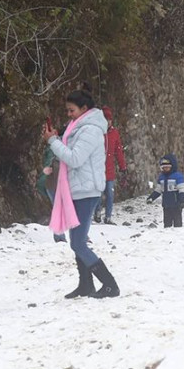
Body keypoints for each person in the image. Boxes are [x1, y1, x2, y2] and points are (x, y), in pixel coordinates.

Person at [43, 88, 119, 299]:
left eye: (71, 110)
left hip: (86, 190)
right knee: (77, 239)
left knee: (77, 242)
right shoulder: (78, 127)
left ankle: (110, 284)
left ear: (84, 109)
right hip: (77, 189)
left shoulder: (91, 130)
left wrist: (52, 142)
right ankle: (85, 284)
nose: (68, 115)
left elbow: (75, 159)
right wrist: (57, 137)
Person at [95, 105, 126, 224]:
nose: (107, 122)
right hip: (98, 169)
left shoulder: (114, 133)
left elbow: (118, 151)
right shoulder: (97, 132)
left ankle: (108, 216)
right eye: (105, 120)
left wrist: (123, 167)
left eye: (109, 120)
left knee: (110, 194)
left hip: (109, 170)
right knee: (98, 194)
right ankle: (97, 212)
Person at [37, 138, 66, 243]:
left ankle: (61, 235)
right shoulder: (53, 154)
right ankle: (60, 236)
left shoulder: (62, 153)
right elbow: (41, 182)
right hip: (54, 186)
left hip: (57, 186)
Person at [146, 154, 184, 228]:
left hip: (176, 204)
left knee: (177, 222)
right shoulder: (162, 177)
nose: (165, 169)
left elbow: (182, 188)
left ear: (172, 166)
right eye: (164, 167)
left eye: (167, 167)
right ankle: (167, 234)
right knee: (167, 222)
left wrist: (182, 200)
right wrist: (151, 197)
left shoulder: (177, 176)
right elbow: (158, 190)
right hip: (166, 205)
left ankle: (178, 234)